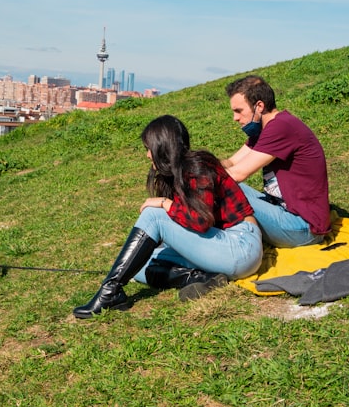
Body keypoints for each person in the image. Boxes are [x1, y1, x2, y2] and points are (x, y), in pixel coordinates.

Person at [73, 115, 263, 318]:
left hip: (241, 245)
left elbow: (200, 221)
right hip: (222, 245)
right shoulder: (178, 172)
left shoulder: (199, 168)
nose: (147, 155)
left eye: (149, 148)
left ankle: (110, 292)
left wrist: (165, 203)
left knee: (154, 215)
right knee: (139, 266)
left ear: (163, 147)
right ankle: (202, 278)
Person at [221, 75, 331, 248]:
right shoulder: (263, 129)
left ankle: (218, 245)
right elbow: (231, 163)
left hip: (303, 227)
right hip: (286, 214)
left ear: (259, 106)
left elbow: (237, 174)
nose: (235, 118)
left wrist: (193, 179)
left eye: (239, 111)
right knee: (225, 187)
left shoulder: (281, 127)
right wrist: (196, 165)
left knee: (224, 189)